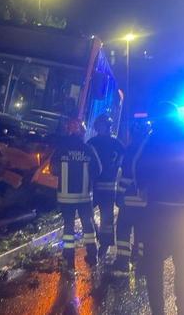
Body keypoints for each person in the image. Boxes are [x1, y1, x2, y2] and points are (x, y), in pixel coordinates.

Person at [139, 101, 184, 315]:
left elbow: (138, 167)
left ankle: (158, 311)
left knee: (153, 265)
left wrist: (143, 187)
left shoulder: (152, 139)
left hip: (158, 211)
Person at [50, 118, 102, 268]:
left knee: (69, 227)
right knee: (88, 225)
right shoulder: (88, 149)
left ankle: (68, 258)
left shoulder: (60, 150)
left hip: (66, 197)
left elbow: (53, 170)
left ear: (67, 131)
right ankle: (92, 255)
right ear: (82, 132)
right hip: (84, 197)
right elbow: (98, 171)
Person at [113, 119, 152, 277]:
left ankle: (122, 262)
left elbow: (121, 174)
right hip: (144, 202)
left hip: (127, 202)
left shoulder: (128, 150)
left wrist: (118, 195)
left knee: (123, 231)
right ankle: (142, 264)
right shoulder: (151, 151)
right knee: (142, 233)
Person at [87, 115, 124, 256]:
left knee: (107, 217)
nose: (101, 128)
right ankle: (96, 233)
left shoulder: (115, 143)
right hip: (93, 185)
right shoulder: (92, 142)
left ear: (108, 127)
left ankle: (105, 243)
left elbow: (122, 162)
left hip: (107, 186)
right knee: (87, 213)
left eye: (103, 126)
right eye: (99, 126)